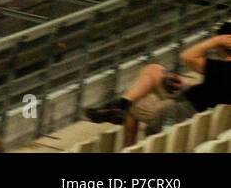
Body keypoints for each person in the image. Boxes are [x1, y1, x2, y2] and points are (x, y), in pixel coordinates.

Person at [85, 24, 231, 145]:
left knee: (136, 101)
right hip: (196, 106)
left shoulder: (221, 68)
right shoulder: (220, 71)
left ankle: (126, 132)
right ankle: (120, 104)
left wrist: (214, 41)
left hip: (180, 113)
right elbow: (214, 92)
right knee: (154, 70)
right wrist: (184, 84)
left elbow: (186, 56)